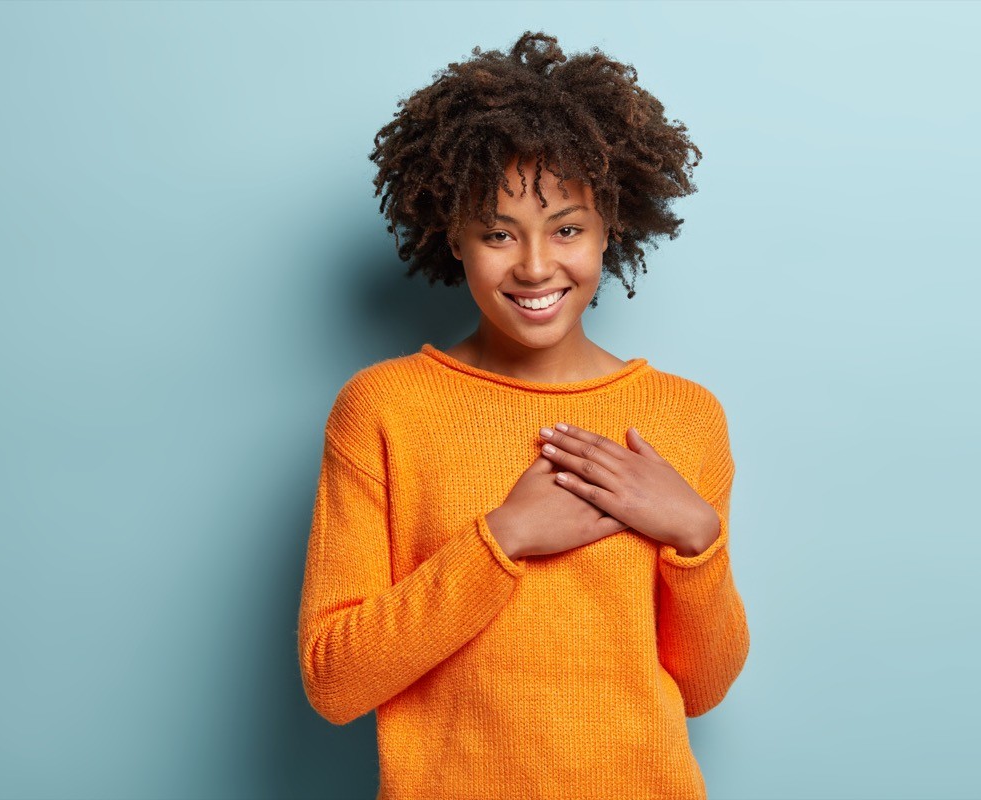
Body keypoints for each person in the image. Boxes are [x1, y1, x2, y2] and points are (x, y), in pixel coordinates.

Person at [297, 30, 750, 800]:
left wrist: (696, 539)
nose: (536, 266)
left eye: (567, 228)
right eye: (499, 233)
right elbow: (335, 680)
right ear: (455, 237)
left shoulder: (684, 415)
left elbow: (702, 689)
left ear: (613, 228)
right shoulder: (383, 409)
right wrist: (502, 538)